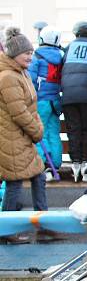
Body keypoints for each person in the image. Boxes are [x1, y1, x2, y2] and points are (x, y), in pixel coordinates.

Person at [0, 27, 47, 217]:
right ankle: (6, 230)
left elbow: (30, 106)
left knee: (39, 177)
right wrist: (37, 130)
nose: (30, 57)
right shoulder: (8, 77)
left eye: (31, 53)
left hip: (21, 137)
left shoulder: (20, 72)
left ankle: (44, 224)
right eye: (26, 53)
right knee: (14, 182)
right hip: (11, 137)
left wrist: (36, 128)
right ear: (14, 54)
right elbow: (19, 112)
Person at [61, 21, 87, 183]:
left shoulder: (69, 48)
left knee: (73, 129)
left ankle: (75, 163)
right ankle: (86, 163)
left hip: (69, 95)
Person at [27, 25, 64, 181]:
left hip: (40, 101)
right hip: (55, 101)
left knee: (39, 133)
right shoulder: (61, 57)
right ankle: (55, 163)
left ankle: (44, 163)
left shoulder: (37, 57)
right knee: (53, 132)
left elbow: (31, 81)